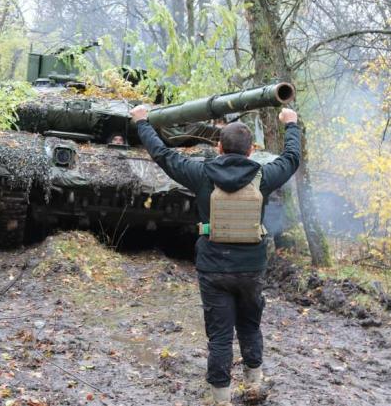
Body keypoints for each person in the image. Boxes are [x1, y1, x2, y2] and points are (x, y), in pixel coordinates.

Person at [129, 105, 301, 405]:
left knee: (220, 336)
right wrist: (291, 124)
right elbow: (291, 158)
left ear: (219, 147)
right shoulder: (264, 175)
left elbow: (162, 154)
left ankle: (220, 397)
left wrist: (142, 122)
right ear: (252, 151)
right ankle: (253, 385)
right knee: (249, 326)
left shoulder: (201, 173)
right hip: (251, 268)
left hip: (214, 268)